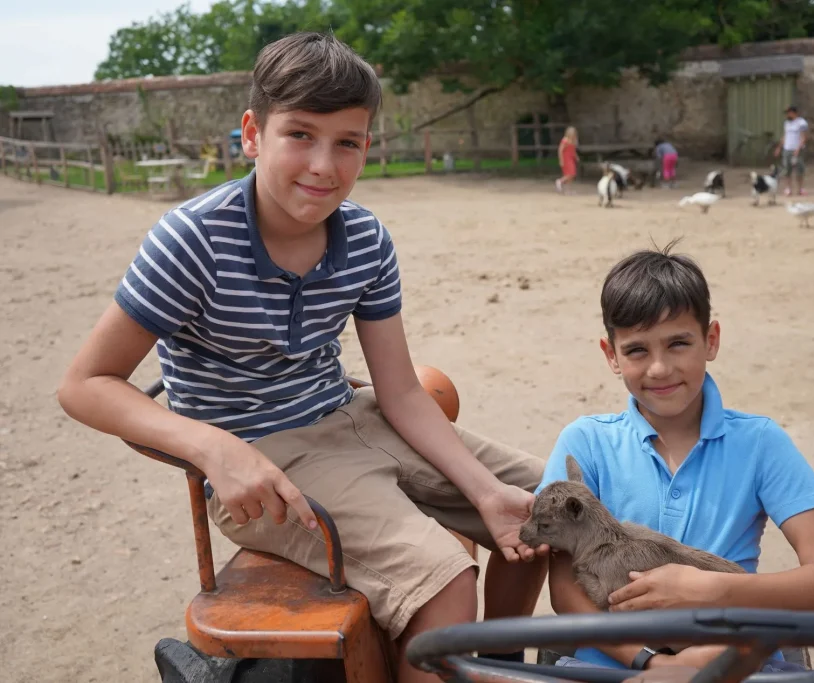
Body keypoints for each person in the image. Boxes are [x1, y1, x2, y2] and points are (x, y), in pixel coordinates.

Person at [56, 32, 549, 683]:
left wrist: (486, 492)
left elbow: (400, 391)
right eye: (300, 135)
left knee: (544, 505)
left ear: (367, 145)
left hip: (355, 414)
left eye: (347, 141)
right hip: (265, 459)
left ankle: (498, 665)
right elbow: (85, 383)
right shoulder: (193, 240)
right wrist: (214, 448)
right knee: (443, 578)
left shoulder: (365, 239)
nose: (323, 164)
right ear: (252, 133)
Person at [536, 240, 814, 673]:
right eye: (637, 350)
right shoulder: (585, 442)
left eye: (678, 344)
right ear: (610, 355)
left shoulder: (760, 442)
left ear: (711, 340)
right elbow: (566, 592)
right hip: (614, 665)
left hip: (736, 662)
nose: (660, 368)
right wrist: (648, 663)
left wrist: (709, 589)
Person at [774, 105, 809, 196]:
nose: (787, 115)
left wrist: (798, 149)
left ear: (794, 113)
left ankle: (800, 189)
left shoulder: (801, 123)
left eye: (789, 113)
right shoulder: (787, 123)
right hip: (787, 149)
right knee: (787, 170)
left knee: (799, 170)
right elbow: (785, 136)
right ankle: (788, 188)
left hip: (797, 150)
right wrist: (779, 147)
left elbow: (804, 138)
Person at [556, 126, 579, 193]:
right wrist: (561, 160)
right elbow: (560, 150)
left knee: (572, 174)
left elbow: (573, 150)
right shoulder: (565, 140)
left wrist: (576, 157)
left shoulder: (574, 140)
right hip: (566, 158)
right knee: (570, 173)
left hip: (571, 158)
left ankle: (568, 190)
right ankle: (560, 181)